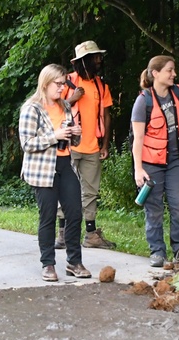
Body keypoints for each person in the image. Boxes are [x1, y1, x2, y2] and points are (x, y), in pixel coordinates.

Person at [19, 64, 92, 282]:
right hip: (42, 169)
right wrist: (55, 134)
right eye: (58, 84)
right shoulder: (31, 109)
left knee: (75, 212)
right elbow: (27, 143)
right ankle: (48, 264)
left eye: (64, 84)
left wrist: (75, 134)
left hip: (65, 164)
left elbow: (70, 140)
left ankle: (74, 261)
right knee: (48, 216)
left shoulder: (66, 107)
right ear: (45, 83)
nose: (62, 88)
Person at [130, 55, 179, 268]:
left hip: (176, 161)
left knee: (178, 204)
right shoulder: (143, 101)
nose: (174, 74)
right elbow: (138, 140)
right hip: (151, 163)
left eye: (173, 70)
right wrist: (138, 170)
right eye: (169, 70)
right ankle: (157, 252)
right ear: (156, 74)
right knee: (153, 208)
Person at [54, 40, 116, 250]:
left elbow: (107, 116)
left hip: (92, 147)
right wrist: (73, 98)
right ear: (83, 61)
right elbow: (53, 109)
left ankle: (90, 234)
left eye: (99, 56)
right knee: (65, 190)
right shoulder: (66, 82)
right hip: (69, 147)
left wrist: (105, 144)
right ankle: (62, 234)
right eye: (95, 57)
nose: (99, 60)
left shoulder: (101, 85)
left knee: (90, 191)